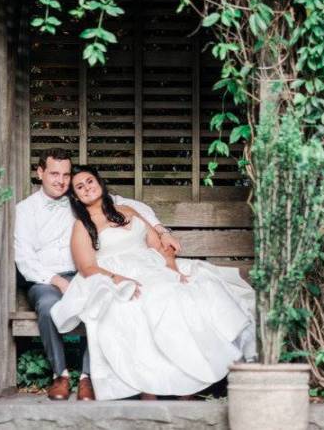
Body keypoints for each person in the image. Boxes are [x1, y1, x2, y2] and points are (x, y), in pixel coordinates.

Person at [50, 165, 256, 400]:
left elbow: (158, 245)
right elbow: (87, 267)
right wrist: (119, 279)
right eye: (80, 186)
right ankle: (154, 387)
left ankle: (189, 384)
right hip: (116, 273)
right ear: (75, 196)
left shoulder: (127, 209)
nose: (87, 187)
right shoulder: (82, 224)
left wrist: (171, 266)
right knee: (155, 300)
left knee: (197, 289)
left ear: (99, 182)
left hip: (152, 266)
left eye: (89, 181)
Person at [14, 149, 181, 401]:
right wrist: (57, 281)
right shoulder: (25, 210)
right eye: (54, 174)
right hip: (46, 277)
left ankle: (87, 377)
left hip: (87, 273)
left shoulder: (79, 197)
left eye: (66, 175)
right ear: (40, 173)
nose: (60, 180)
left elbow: (133, 207)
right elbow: (25, 258)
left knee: (104, 300)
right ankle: (60, 374)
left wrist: (161, 229)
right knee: (48, 306)